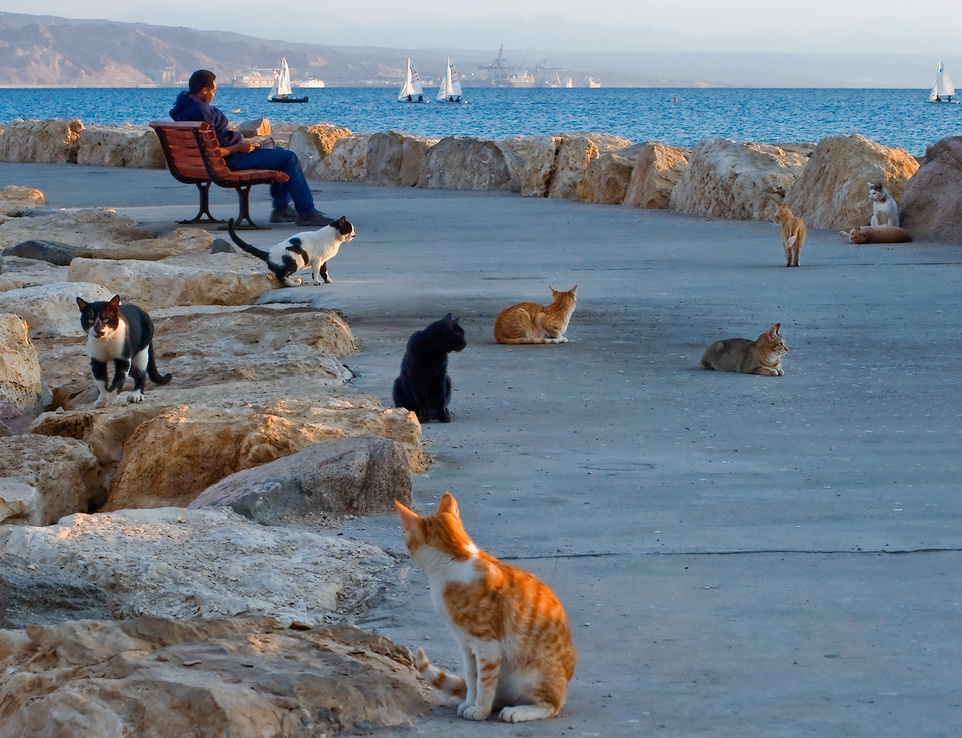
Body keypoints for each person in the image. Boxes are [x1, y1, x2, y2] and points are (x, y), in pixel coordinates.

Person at [170, 69, 330, 227]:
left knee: (279, 153)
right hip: (229, 160)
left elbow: (206, 149)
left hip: (209, 162)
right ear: (204, 90)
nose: (214, 95)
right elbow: (211, 152)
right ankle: (306, 212)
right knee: (289, 158)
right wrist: (239, 147)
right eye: (213, 91)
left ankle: (282, 209)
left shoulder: (182, 108)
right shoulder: (201, 112)